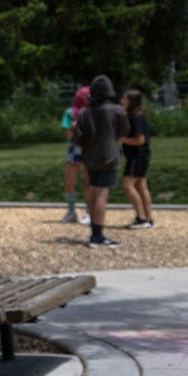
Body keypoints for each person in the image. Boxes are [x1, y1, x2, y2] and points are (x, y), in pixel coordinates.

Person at [72, 74, 128, 248]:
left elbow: (78, 138)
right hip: (109, 156)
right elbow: (124, 131)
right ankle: (98, 235)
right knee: (102, 193)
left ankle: (95, 232)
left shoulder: (84, 112)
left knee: (93, 191)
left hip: (90, 156)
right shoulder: (118, 110)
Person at [119, 88, 156, 228]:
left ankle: (141, 219)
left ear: (131, 101)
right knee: (140, 186)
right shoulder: (135, 116)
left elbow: (139, 140)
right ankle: (148, 218)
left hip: (137, 156)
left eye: (124, 99)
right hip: (141, 156)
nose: (122, 101)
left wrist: (121, 139)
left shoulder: (136, 118)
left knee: (127, 186)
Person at [58, 84, 90, 223]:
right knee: (68, 182)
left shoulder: (94, 112)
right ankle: (71, 211)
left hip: (91, 148)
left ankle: (89, 212)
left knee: (89, 182)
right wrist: (74, 127)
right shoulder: (70, 113)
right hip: (75, 149)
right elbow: (69, 136)